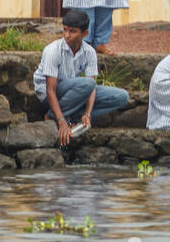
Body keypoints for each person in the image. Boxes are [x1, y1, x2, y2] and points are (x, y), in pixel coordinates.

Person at [33, 10, 131, 144]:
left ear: (84, 34)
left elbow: (92, 88)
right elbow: (50, 90)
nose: (67, 35)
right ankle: (53, 116)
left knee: (122, 96)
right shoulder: (53, 50)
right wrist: (61, 121)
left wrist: (88, 114)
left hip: (74, 93)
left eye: (72, 31)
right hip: (51, 95)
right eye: (65, 30)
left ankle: (75, 117)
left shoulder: (89, 52)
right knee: (87, 84)